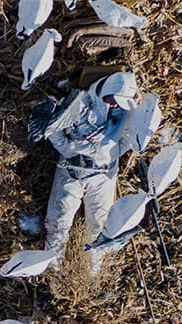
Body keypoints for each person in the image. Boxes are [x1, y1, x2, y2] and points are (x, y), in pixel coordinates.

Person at [42, 71, 139, 275]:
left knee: (99, 227)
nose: (115, 105)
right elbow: (54, 129)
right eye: (113, 100)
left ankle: (90, 275)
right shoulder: (79, 103)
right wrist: (69, 151)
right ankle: (52, 273)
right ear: (107, 90)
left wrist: (111, 154)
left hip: (103, 176)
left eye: (120, 103)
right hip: (71, 170)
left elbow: (130, 137)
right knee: (58, 224)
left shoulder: (127, 112)